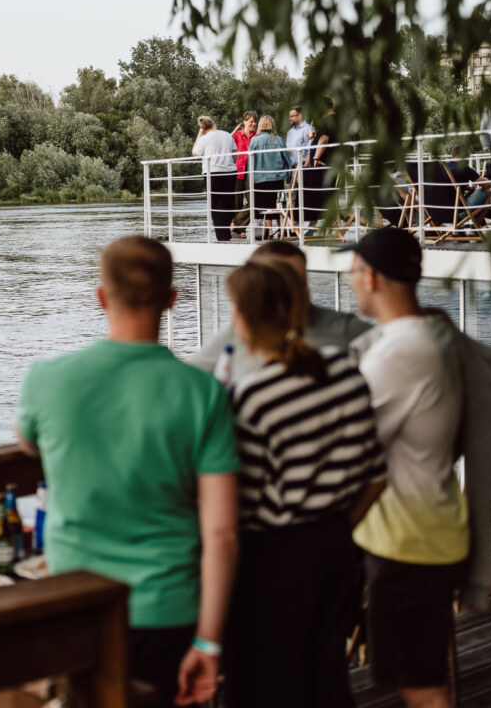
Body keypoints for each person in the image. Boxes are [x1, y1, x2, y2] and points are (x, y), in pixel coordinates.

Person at [16, 235, 239, 707]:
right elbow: (222, 535)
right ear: (172, 301)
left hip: (77, 603)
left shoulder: (46, 379)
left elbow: (27, 441)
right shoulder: (203, 393)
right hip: (169, 609)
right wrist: (208, 642)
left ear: (101, 297)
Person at [223, 257, 386, 708]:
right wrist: (336, 527)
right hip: (337, 551)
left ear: (246, 319)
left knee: (261, 688)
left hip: (274, 561)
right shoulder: (344, 370)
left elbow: (242, 507)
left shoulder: (251, 398)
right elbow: (377, 476)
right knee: (326, 679)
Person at [343, 226, 468, 708]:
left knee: (422, 684)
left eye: (355, 271)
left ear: (371, 278)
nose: (352, 281)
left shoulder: (398, 354)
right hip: (417, 531)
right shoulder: (428, 335)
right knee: (414, 673)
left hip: (411, 543)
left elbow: (348, 440)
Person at [186, 240, 371, 385]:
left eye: (295, 280)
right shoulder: (236, 333)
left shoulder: (348, 329)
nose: (287, 289)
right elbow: (189, 372)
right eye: (275, 280)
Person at [192, 116, 240, 242]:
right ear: (213, 123)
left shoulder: (204, 138)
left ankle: (222, 235)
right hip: (230, 172)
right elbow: (235, 152)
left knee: (217, 205)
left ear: (202, 127)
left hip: (212, 173)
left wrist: (199, 135)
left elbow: (195, 153)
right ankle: (227, 232)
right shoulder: (227, 135)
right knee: (229, 202)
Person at [245, 115, 293, 239]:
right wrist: (289, 175)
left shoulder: (255, 140)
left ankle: (269, 233)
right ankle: (282, 231)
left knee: (264, 207)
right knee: (278, 205)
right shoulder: (278, 139)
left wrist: (250, 179)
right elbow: (287, 159)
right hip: (277, 177)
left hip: (259, 179)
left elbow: (251, 161)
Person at [306, 97, 340, 230]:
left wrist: (315, 157)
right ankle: (327, 224)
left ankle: (313, 224)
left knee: (316, 192)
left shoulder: (329, 120)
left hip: (323, 164)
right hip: (330, 163)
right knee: (327, 194)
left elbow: (324, 140)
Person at [229, 112, 257, 236]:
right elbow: (226, 144)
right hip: (237, 171)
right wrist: (232, 133)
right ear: (244, 122)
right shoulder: (237, 135)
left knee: (254, 200)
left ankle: (234, 223)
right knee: (237, 203)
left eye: (255, 121)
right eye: (251, 121)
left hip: (251, 172)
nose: (253, 124)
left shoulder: (257, 136)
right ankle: (241, 230)